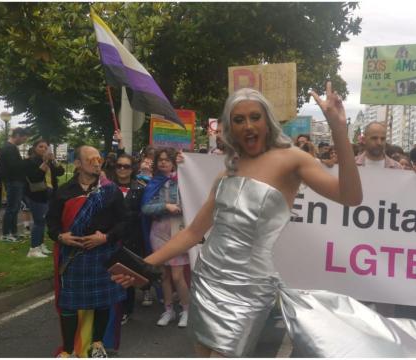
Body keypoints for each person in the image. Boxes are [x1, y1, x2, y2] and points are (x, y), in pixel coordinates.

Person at [113, 82, 362, 357]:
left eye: (255, 117)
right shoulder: (227, 172)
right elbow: (193, 232)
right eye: (239, 119)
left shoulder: (293, 159)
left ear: (267, 120)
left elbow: (350, 196)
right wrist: (141, 265)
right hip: (208, 279)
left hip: (250, 288)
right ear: (231, 128)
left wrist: (339, 130)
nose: (248, 126)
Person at [47, 145, 128, 358]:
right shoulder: (64, 191)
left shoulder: (111, 191)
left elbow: (124, 222)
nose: (96, 162)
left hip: (102, 253)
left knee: (102, 302)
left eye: (98, 159)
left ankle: (97, 345)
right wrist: (60, 236)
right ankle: (68, 350)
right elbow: (51, 223)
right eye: (90, 159)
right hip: (74, 257)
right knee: (69, 304)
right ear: (78, 164)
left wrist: (106, 237)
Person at [141, 148, 191, 328]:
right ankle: (168, 310)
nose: (163, 162)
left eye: (167, 160)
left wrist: (179, 208)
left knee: (178, 276)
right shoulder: (154, 182)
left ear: (174, 162)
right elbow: (146, 208)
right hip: (159, 232)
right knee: (164, 275)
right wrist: (166, 206)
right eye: (160, 159)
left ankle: (186, 310)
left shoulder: (184, 181)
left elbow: (194, 205)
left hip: (179, 232)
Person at [111, 153, 145, 325]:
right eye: (119, 166)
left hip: (132, 238)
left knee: (127, 276)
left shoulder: (140, 188)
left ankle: (126, 309)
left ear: (133, 169)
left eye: (126, 166)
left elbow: (143, 213)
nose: (122, 169)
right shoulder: (107, 187)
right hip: (111, 237)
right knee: (111, 274)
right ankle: (110, 308)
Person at [23, 139, 60, 258]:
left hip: (49, 193)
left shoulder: (49, 161)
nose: (44, 149)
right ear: (34, 148)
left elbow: (60, 171)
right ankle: (33, 249)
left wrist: (53, 160)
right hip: (36, 195)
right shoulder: (29, 162)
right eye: (41, 147)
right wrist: (45, 163)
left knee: (43, 221)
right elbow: (35, 178)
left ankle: (40, 244)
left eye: (46, 147)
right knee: (39, 221)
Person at [0, 127, 29, 242]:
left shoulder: (10, 147)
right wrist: (25, 162)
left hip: (14, 181)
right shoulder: (9, 148)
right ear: (17, 135)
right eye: (23, 139)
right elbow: (14, 167)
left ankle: (13, 232)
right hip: (13, 182)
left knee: (15, 209)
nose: (23, 142)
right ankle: (6, 234)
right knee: (11, 208)